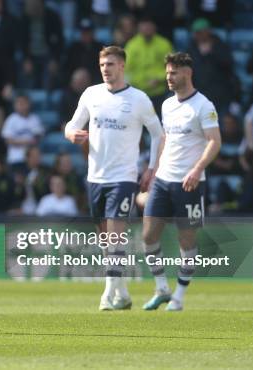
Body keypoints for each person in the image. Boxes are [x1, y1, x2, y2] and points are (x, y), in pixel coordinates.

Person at [64, 46, 164, 311]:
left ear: (122, 66)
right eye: (102, 65)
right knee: (105, 239)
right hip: (95, 176)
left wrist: (152, 168)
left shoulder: (139, 99)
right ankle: (123, 292)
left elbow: (158, 133)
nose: (105, 69)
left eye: (110, 64)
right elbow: (72, 124)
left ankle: (107, 294)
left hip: (124, 176)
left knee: (115, 236)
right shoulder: (91, 94)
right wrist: (72, 134)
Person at [142, 52, 221, 311]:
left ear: (187, 73)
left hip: (189, 183)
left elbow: (215, 141)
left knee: (186, 240)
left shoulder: (204, 105)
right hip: (164, 179)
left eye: (173, 73)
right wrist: (154, 168)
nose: (168, 77)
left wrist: (197, 169)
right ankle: (162, 288)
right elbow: (166, 139)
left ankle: (179, 295)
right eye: (167, 73)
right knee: (148, 235)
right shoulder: (167, 105)